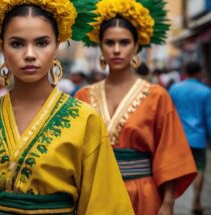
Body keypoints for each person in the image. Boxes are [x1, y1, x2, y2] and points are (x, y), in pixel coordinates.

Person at [0, 1, 134, 214]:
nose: (30, 54)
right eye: (17, 44)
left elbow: (105, 204)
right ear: (2, 47)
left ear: (57, 45)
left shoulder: (85, 119)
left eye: (42, 43)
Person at [75, 0, 197, 214]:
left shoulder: (157, 96)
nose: (116, 49)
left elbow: (170, 152)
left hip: (143, 194)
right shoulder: (83, 96)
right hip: (95, 195)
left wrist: (167, 203)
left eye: (124, 42)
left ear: (136, 46)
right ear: (100, 46)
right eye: (109, 42)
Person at [169, 61, 211, 215]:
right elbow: (209, 117)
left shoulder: (174, 89)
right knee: (199, 169)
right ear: (200, 72)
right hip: (198, 138)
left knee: (174, 170)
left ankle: (170, 200)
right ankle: (196, 201)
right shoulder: (206, 92)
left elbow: (168, 113)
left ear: (185, 71)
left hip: (178, 137)